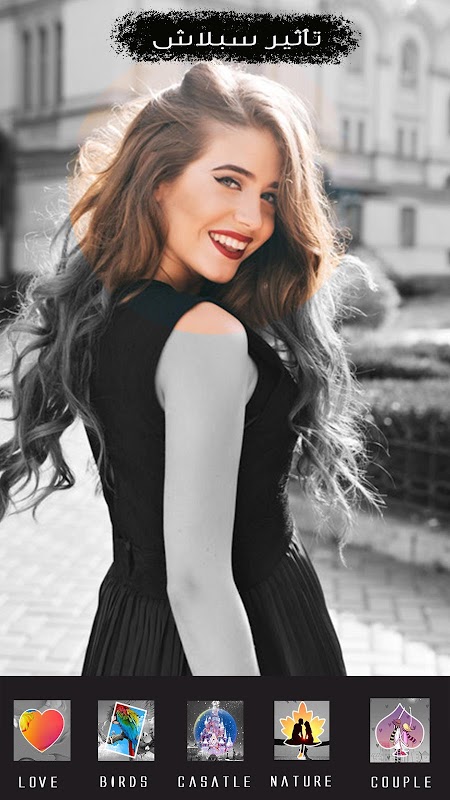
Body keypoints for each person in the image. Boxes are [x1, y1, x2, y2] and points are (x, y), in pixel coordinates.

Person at [0, 62, 379, 676]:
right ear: (159, 179)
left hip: (131, 632)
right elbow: (198, 583)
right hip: (239, 638)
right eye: (229, 181)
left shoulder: (104, 310)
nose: (253, 219)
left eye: (269, 196)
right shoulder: (204, 335)